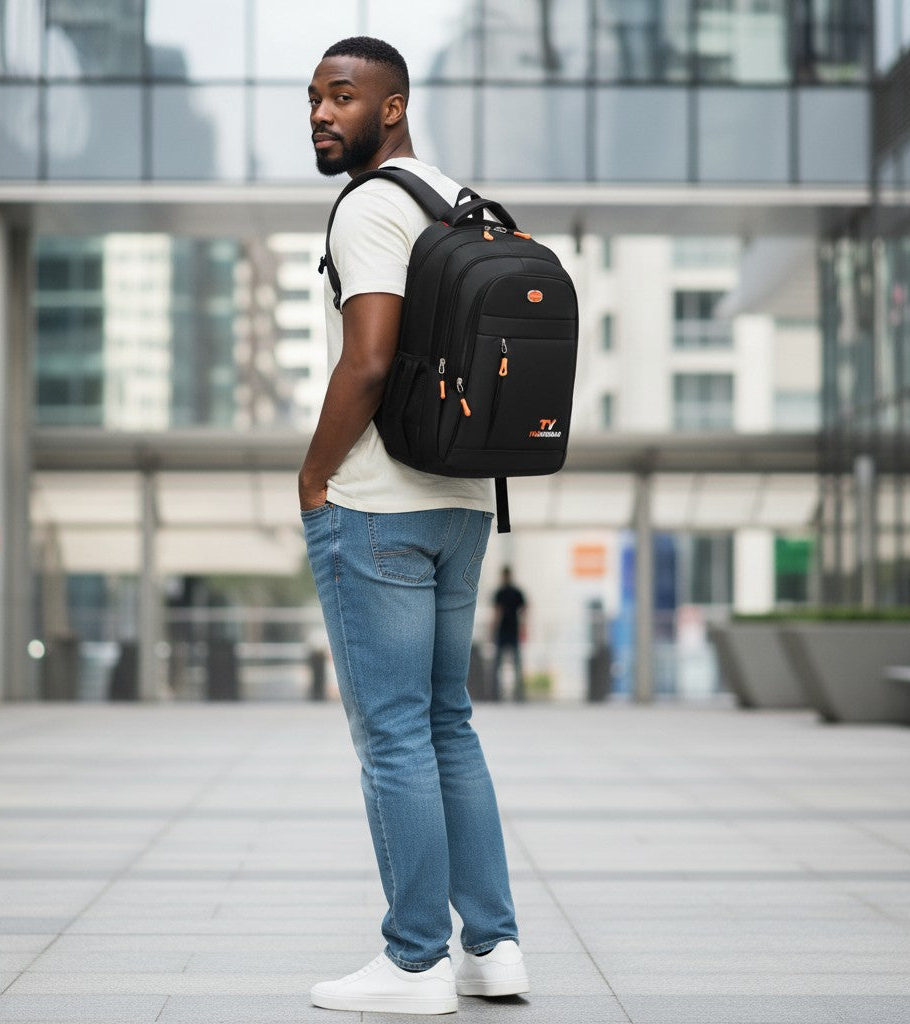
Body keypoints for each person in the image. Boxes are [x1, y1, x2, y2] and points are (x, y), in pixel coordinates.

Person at [299, 36, 529, 1016]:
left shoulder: (369, 208)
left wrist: (313, 479)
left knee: (392, 730)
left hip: (380, 506)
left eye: (341, 97)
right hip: (465, 496)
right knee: (447, 722)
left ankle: (412, 961)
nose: (320, 114)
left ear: (389, 108)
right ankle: (492, 948)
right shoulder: (456, 199)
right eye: (312, 98)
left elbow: (369, 358)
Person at [492, 567, 527, 701]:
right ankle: (514, 694)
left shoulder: (503, 592)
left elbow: (497, 613)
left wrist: (523, 627)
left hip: (508, 631)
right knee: (508, 664)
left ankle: (501, 693)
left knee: (506, 664)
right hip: (508, 630)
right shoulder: (511, 592)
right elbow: (523, 610)